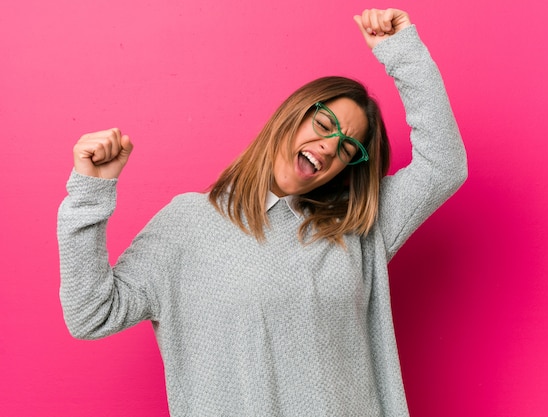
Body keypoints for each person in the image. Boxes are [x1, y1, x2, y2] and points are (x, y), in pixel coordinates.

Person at [58, 7, 467, 416]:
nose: (330, 145)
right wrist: (90, 193)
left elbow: (443, 165)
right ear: (292, 116)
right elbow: (92, 314)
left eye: (346, 147)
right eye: (324, 124)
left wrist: (401, 52)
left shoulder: (356, 227)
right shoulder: (187, 223)